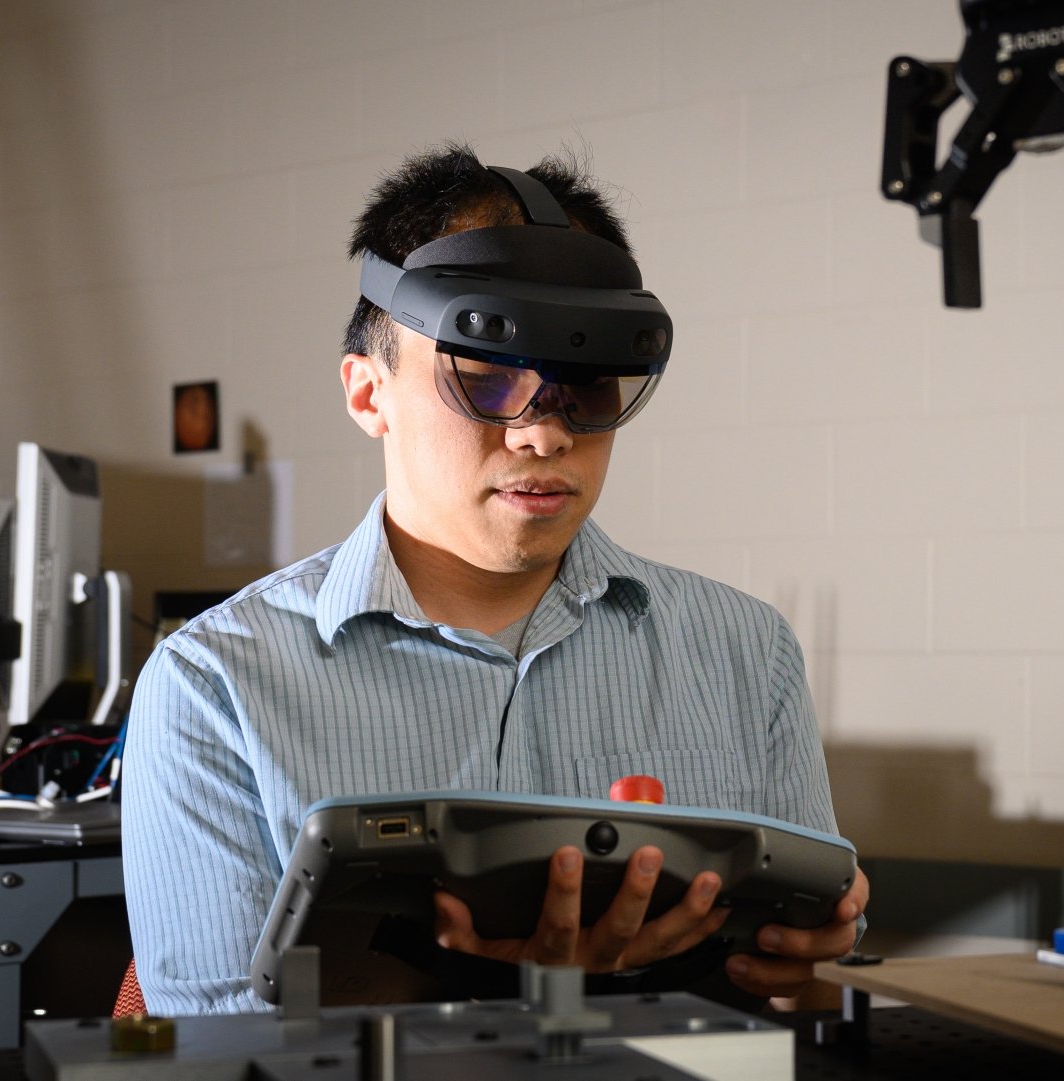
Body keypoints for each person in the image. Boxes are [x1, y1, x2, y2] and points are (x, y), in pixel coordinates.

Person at [121, 144, 868, 1016]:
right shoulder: (217, 685)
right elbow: (214, 1056)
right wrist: (524, 1003)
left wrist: (811, 975)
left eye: (583, 389)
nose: (544, 435)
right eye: (486, 379)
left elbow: (808, 998)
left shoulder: (744, 653)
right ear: (370, 395)